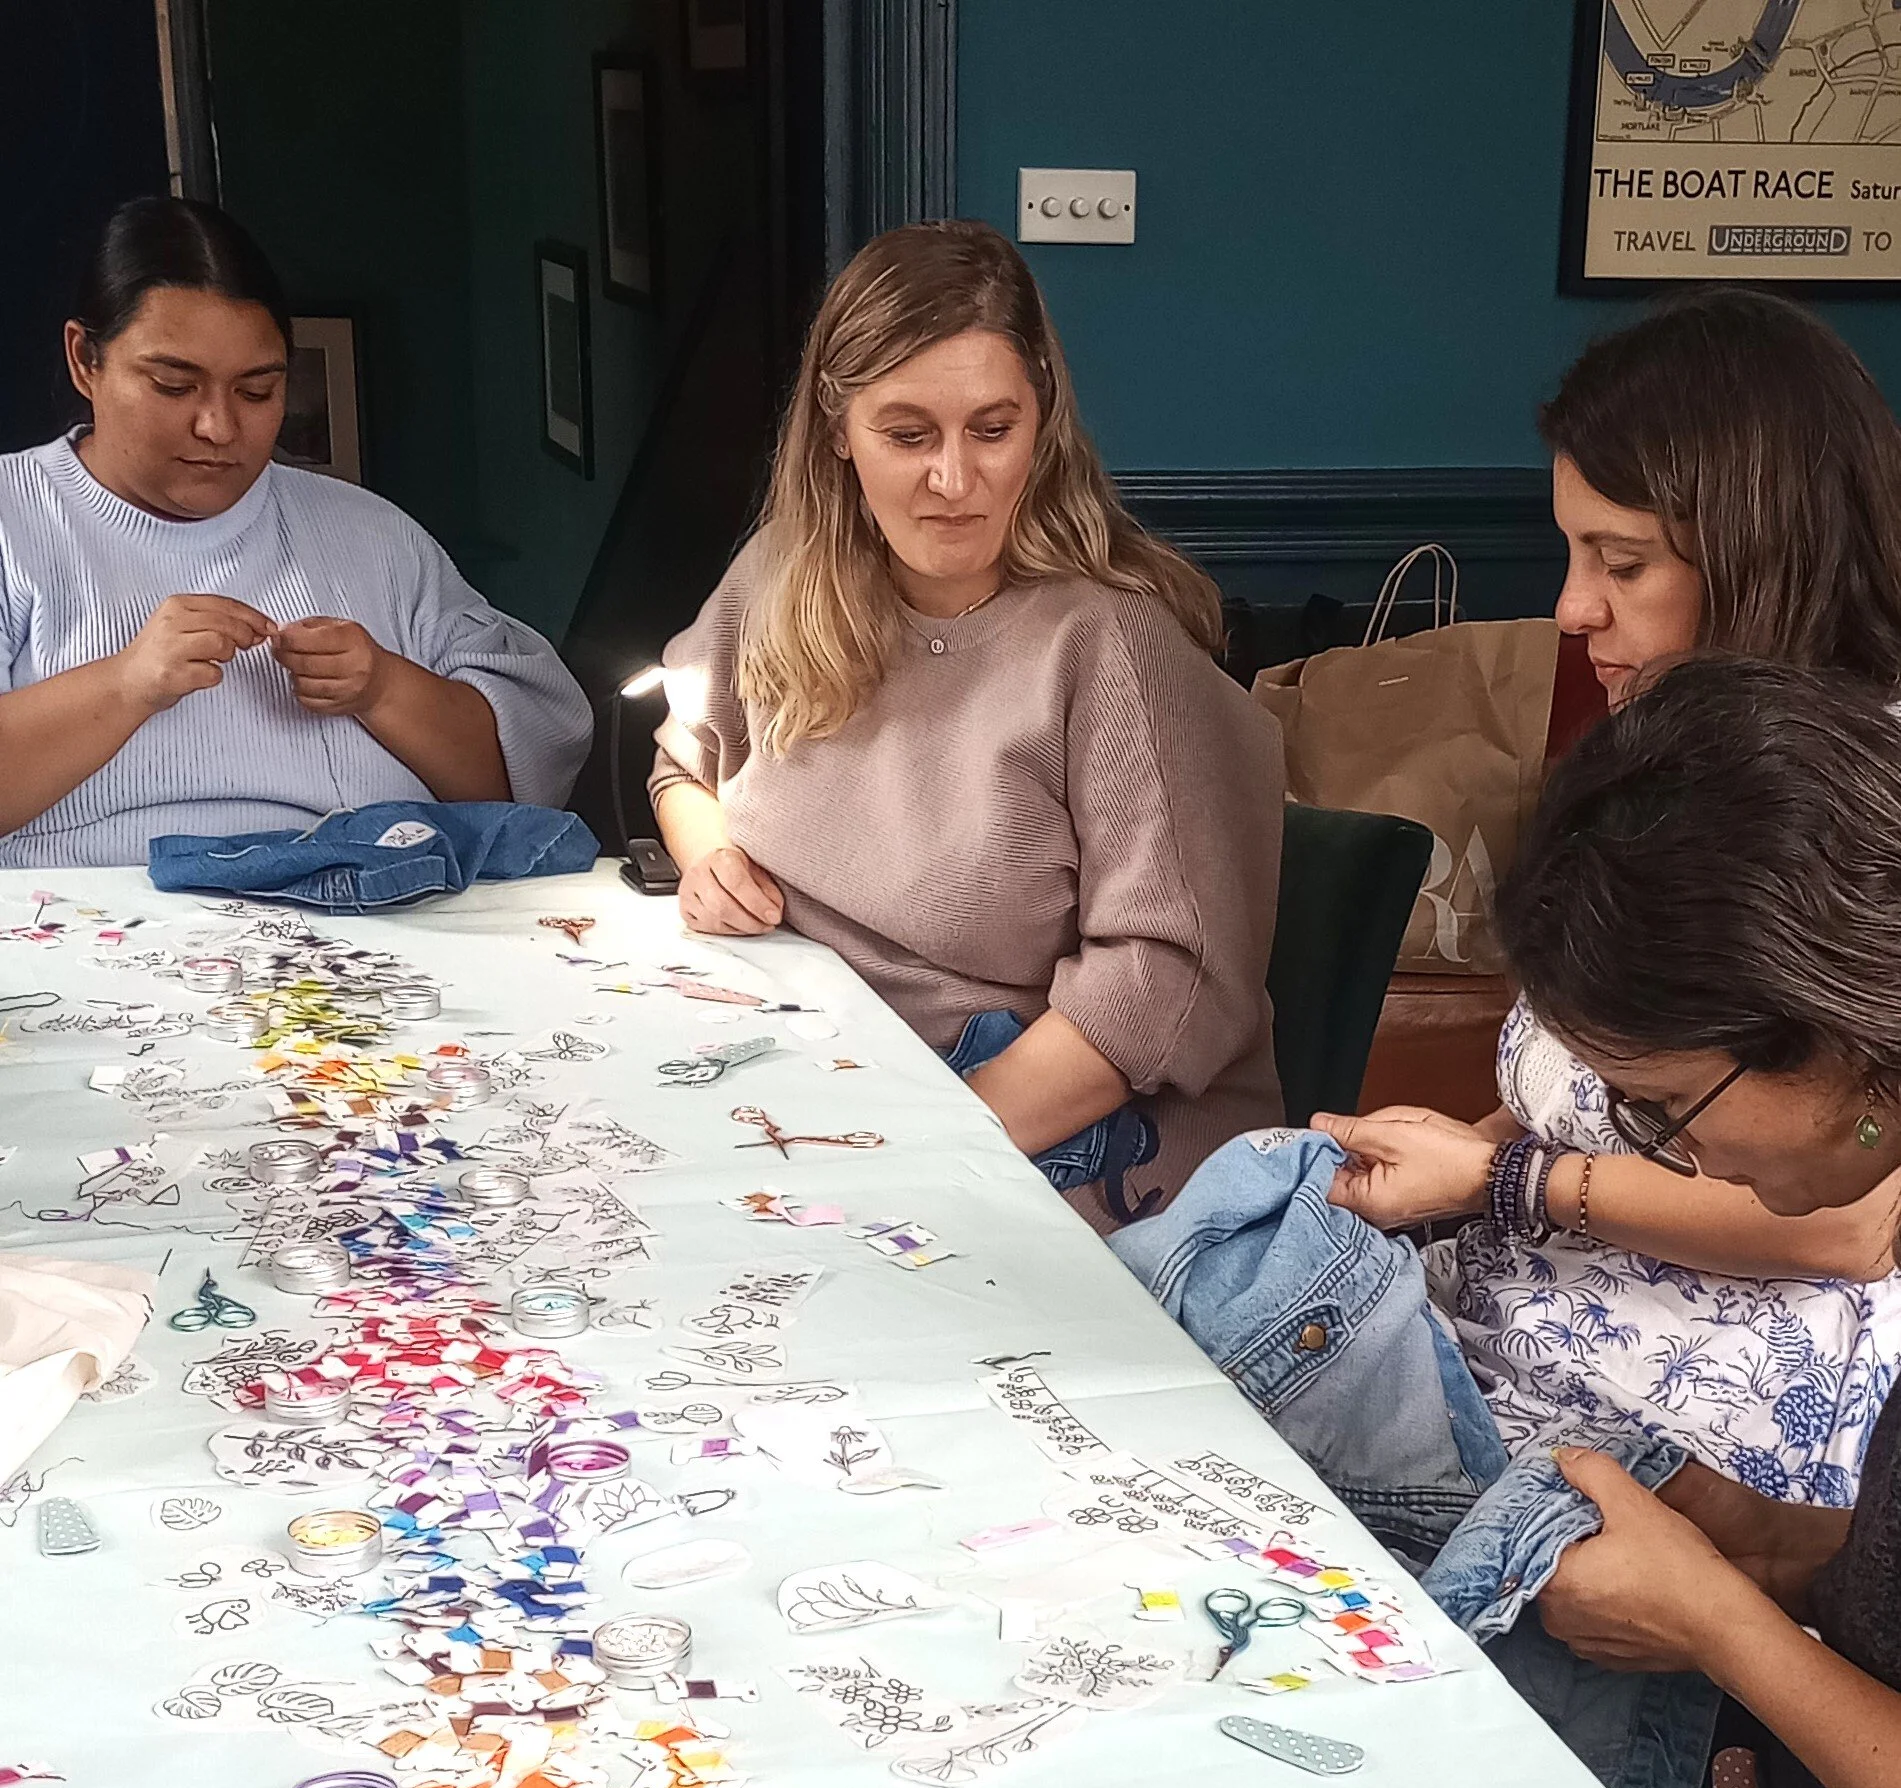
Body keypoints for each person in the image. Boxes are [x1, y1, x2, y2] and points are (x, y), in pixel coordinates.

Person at [1319, 290, 1901, 1508]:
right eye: (1573, 553)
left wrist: (1493, 1180)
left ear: (1759, 550)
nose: (1571, 606)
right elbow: (1587, 1089)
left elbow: (1848, 1217)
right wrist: (1447, 1151)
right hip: (1510, 1338)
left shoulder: (1860, 809)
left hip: (1700, 1431)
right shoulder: (1662, 762)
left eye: (1620, 562)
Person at [648, 219, 1283, 1228]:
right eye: (907, 436)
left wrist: (919, 1145)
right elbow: (682, 764)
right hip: (823, 1081)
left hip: (1050, 1147)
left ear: (1042, 418)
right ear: (836, 430)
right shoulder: (778, 578)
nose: (953, 480)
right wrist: (710, 856)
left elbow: (1159, 983)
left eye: (992, 429)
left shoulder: (1110, 644)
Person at [1505, 659, 1901, 1788]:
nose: (1665, 1154)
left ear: (1830, 1030)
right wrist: (1789, 1541)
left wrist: (1720, 1621)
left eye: (1664, 1106)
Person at [0, 197, 592, 867]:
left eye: (256, 391)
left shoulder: (371, 536)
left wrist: (385, 688)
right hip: (81, 915)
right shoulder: (14, 521)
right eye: (173, 385)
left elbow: (524, 792)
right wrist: (125, 685)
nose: (219, 427)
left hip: (357, 904)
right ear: (85, 359)